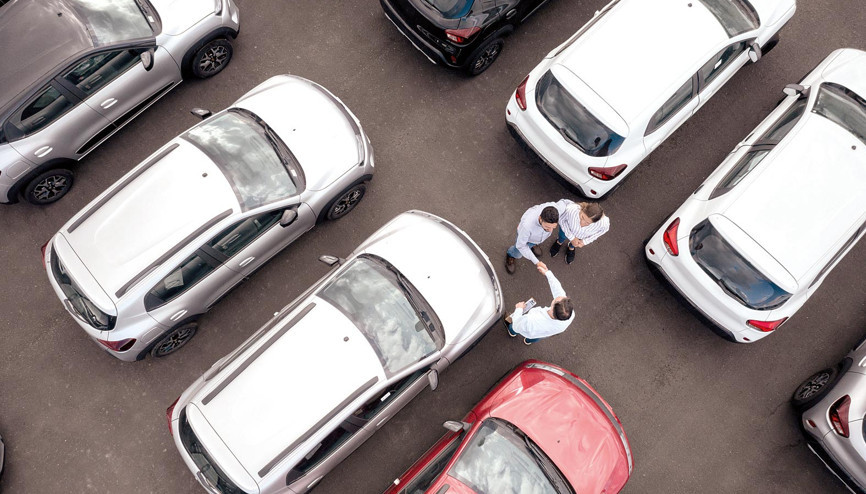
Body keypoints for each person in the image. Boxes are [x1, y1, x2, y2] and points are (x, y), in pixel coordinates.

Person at [505, 264, 575, 345]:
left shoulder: (533, 320)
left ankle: (512, 332)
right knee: (536, 337)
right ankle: (528, 341)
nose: (558, 296)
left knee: (514, 327)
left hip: (527, 327)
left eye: (556, 299)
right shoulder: (568, 313)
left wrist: (519, 309)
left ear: (552, 309)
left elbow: (517, 325)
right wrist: (547, 273)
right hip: (541, 333)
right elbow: (558, 290)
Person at [505, 202, 559, 275]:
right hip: (523, 235)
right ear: (540, 218)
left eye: (554, 227)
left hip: (534, 238)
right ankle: (511, 255)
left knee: (534, 240)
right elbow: (521, 245)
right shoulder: (527, 226)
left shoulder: (554, 208)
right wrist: (537, 262)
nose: (550, 230)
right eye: (547, 227)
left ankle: (533, 244)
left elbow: (565, 204)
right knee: (518, 253)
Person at [549, 200, 609, 265]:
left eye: (587, 223)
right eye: (582, 217)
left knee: (575, 243)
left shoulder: (603, 223)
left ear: (596, 222)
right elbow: (562, 219)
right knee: (562, 236)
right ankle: (559, 242)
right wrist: (572, 237)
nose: (582, 223)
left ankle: (571, 247)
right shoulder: (571, 209)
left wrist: (585, 241)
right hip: (567, 229)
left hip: (581, 236)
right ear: (582, 209)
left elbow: (604, 230)